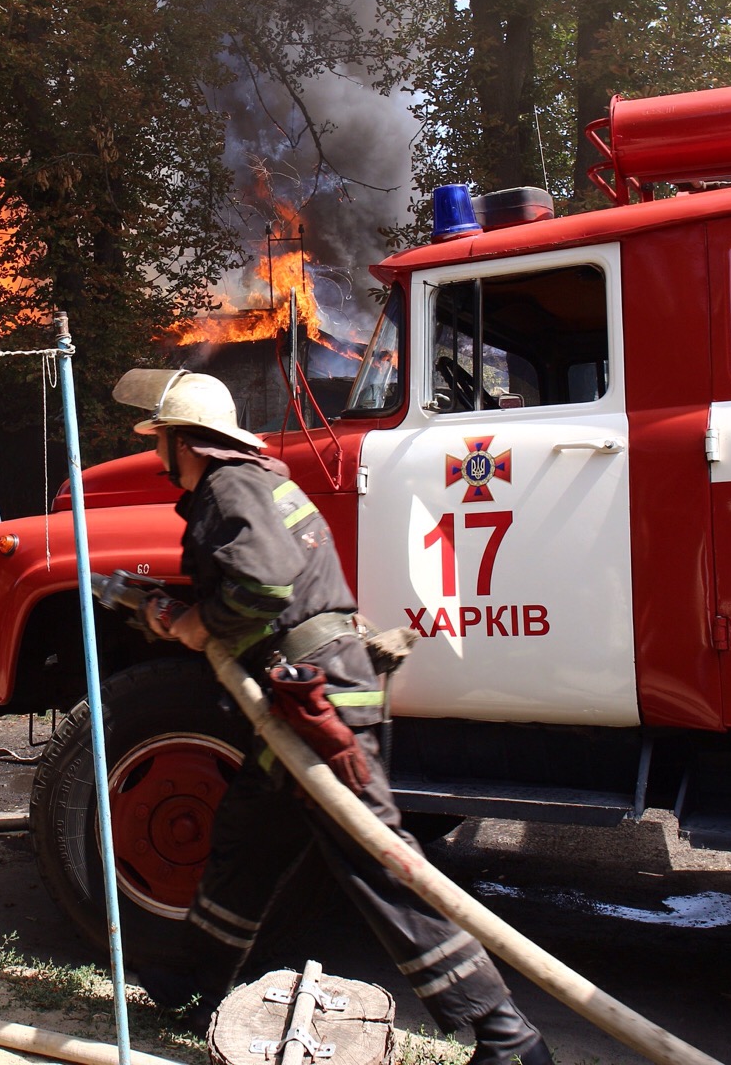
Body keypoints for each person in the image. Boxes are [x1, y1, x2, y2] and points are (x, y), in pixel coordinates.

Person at [119, 369, 552, 1065]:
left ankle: (508, 1037)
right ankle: (193, 983)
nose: (160, 453)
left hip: (319, 706)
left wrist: (203, 621)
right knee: (248, 838)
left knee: (380, 865)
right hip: (303, 698)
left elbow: (262, 583)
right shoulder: (259, 481)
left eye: (161, 439)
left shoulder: (227, 487)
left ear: (182, 442)